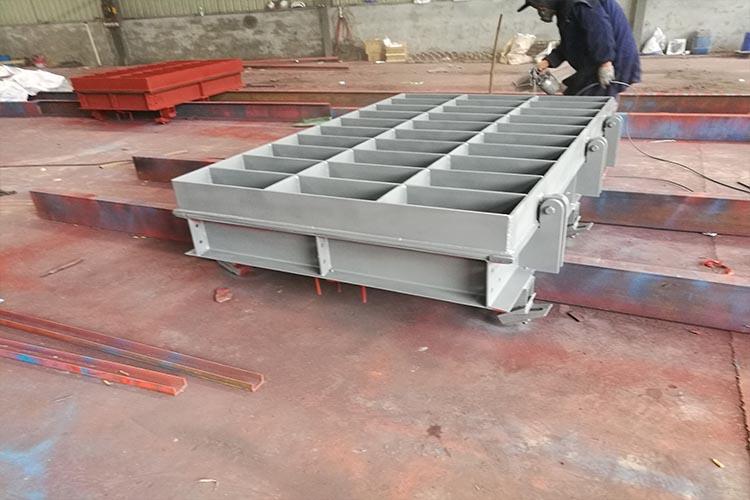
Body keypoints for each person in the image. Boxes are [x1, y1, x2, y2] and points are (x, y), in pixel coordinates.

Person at [518, 0, 641, 96]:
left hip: (615, 61)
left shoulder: (579, 4)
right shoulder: (565, 9)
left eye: (539, 7)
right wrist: (547, 62)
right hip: (596, 60)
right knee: (574, 93)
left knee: (588, 100)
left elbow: (600, 31)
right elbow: (570, 43)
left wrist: (605, 64)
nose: (540, 11)